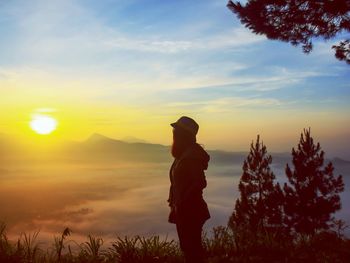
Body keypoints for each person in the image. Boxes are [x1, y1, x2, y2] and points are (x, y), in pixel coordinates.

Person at [168, 116, 210, 263]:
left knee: (192, 251)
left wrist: (183, 201)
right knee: (189, 249)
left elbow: (200, 182)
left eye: (176, 130)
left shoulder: (191, 156)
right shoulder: (183, 154)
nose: (173, 132)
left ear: (184, 135)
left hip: (191, 211)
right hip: (184, 210)